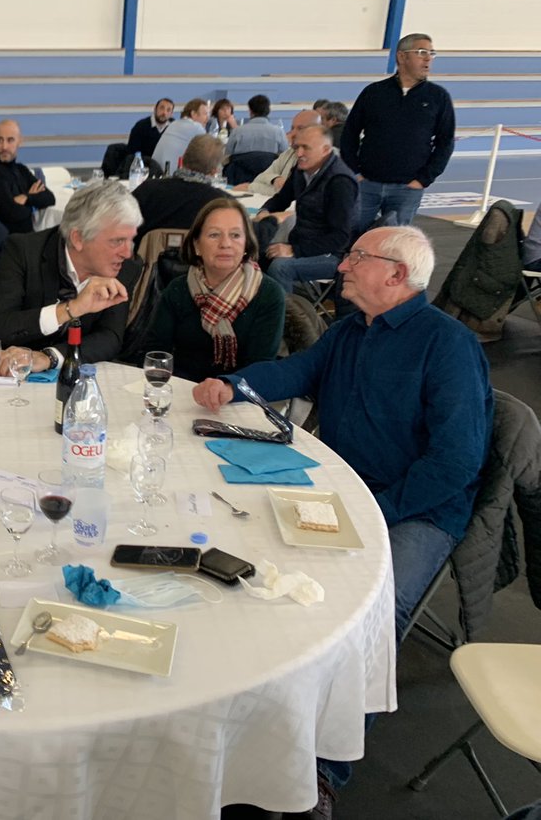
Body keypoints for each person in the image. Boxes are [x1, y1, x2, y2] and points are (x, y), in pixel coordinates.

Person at [193, 225, 492, 812]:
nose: (344, 265)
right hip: (339, 489)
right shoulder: (355, 329)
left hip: (415, 511)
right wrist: (232, 385)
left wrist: (373, 513)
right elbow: (298, 371)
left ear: (397, 275)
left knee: (369, 617)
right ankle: (255, 712)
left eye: (358, 257)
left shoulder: (447, 345)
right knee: (246, 544)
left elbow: (456, 461)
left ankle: (325, 770)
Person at [0, 180, 142, 374]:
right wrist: (71, 309)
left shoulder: (125, 268)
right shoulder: (23, 252)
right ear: (78, 239)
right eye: (117, 241)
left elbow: (110, 337)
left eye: (130, 239)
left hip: (65, 375)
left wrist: (50, 357)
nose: (127, 253)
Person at [141, 198, 285, 382]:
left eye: (235, 235)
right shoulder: (178, 290)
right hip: (181, 389)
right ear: (196, 245)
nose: (225, 244)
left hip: (239, 395)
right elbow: (155, 352)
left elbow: (260, 368)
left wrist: (225, 389)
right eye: (214, 235)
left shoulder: (268, 294)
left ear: (246, 245)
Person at [341, 33, 455, 229]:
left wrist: (423, 180)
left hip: (408, 189)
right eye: (421, 52)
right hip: (367, 184)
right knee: (352, 236)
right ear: (402, 57)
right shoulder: (374, 92)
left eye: (431, 53)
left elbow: (445, 141)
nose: (428, 58)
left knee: (395, 244)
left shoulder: (439, 97)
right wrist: (356, 173)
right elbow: (349, 133)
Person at [255, 125, 357, 293]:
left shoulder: (340, 182)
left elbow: (340, 237)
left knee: (280, 267)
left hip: (334, 255)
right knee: (253, 254)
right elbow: (281, 199)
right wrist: (264, 212)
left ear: (325, 150)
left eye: (306, 148)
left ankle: (287, 317)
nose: (299, 153)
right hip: (303, 243)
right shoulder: (301, 169)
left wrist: (294, 250)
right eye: (297, 147)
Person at [0, 119, 56, 235]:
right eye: (0, 140)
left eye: (10, 140)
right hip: (5, 245)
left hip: (23, 240)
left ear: (19, 142)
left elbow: (50, 197)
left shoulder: (21, 170)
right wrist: (32, 205)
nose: (4, 146)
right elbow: (13, 214)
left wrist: (26, 198)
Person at [133, 134, 226, 240]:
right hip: (197, 256)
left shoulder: (147, 190)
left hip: (147, 255)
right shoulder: (221, 202)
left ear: (184, 157)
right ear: (215, 171)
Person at [236, 109, 322, 197]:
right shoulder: (289, 153)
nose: (293, 133)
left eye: (300, 128)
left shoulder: (321, 158)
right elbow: (259, 179)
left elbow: (293, 195)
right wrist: (275, 179)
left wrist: (251, 188)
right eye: (292, 128)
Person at [152, 99, 210, 176]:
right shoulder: (196, 127)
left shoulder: (174, 124)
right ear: (194, 114)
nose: (207, 118)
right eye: (205, 114)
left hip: (154, 173)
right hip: (171, 178)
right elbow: (209, 156)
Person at [225, 95, 288, 159]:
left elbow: (227, 156)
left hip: (241, 168)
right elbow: (285, 157)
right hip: (271, 168)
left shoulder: (237, 131)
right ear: (268, 110)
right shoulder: (279, 132)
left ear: (250, 111)